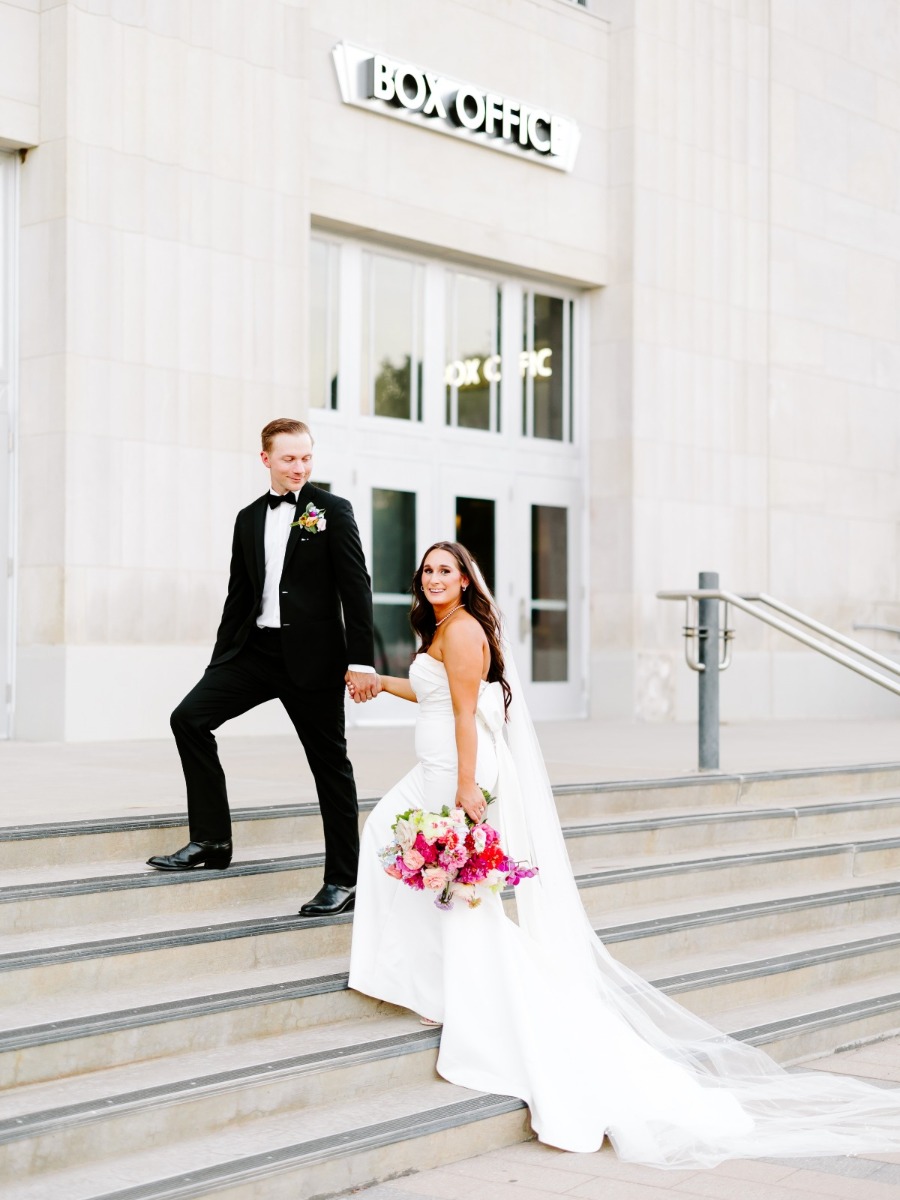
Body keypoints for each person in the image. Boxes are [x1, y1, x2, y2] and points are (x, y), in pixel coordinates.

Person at [349, 540, 900, 1166]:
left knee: (423, 863)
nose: (434, 578)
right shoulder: (444, 628)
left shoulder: (467, 630)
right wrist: (378, 682)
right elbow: (436, 693)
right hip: (438, 765)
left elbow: (467, 713)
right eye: (427, 571)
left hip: (454, 770)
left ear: (467, 580)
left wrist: (466, 785)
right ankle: (432, 977)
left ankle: (456, 990)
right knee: (420, 865)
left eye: (446, 570)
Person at [147, 418, 377, 917]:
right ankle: (211, 841)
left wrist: (361, 661)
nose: (300, 467)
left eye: (307, 458)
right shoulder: (248, 518)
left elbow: (357, 589)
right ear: (266, 459)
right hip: (254, 653)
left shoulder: (332, 511)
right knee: (188, 719)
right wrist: (219, 663)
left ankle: (344, 880)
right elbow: (238, 595)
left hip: (314, 662)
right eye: (289, 458)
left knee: (329, 768)